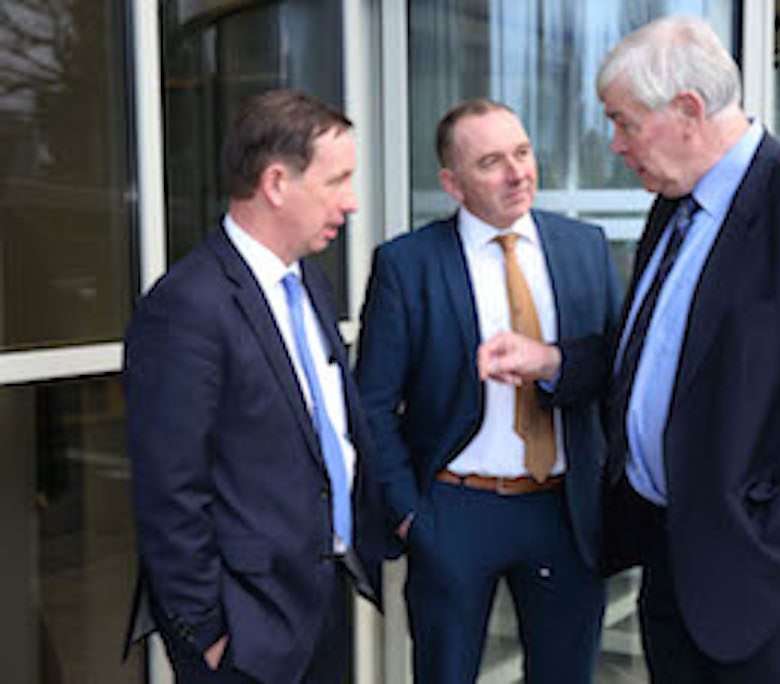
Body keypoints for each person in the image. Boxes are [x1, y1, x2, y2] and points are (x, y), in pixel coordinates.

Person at [477, 16, 780, 684]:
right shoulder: (675, 206)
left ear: (687, 110)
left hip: (764, 587)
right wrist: (555, 364)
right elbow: (661, 358)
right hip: (672, 566)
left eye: (625, 122)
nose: (617, 144)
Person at [122, 89, 387, 684]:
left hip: (322, 596)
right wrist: (205, 632)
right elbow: (170, 490)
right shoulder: (187, 306)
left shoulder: (309, 283)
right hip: (245, 631)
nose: (351, 201)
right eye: (337, 180)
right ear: (275, 182)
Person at [355, 98, 620, 683]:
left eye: (522, 153)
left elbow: (617, 367)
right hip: (454, 510)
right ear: (453, 183)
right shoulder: (407, 264)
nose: (517, 172)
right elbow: (372, 404)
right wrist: (409, 516)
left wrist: (552, 361)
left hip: (564, 510)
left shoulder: (586, 247)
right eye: (492, 162)